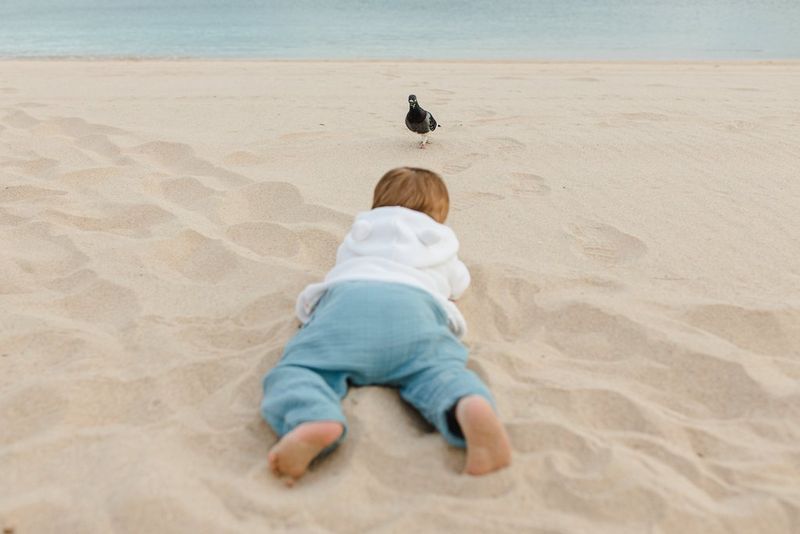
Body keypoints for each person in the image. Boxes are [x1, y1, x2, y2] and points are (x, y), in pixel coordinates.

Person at [260, 167, 511, 485]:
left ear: (378, 204)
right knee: (438, 371)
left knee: (302, 370)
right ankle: (466, 404)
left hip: (348, 306)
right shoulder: (439, 240)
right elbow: (458, 285)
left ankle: (312, 416)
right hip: (413, 312)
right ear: (439, 215)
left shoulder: (361, 231)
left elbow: (342, 267)